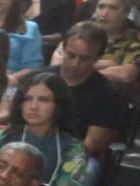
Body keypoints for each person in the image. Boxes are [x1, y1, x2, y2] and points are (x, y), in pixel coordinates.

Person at [0, 71, 87, 186]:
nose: (33, 106)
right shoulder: (2, 136)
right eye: (28, 99)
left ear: (59, 105)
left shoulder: (73, 148)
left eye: (43, 100)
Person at [52, 23, 123, 161]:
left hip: (77, 156)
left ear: (97, 58)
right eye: (71, 55)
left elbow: (90, 144)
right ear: (62, 50)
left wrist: (56, 162)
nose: (75, 64)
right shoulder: (39, 80)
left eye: (84, 59)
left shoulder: (107, 93)